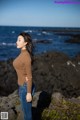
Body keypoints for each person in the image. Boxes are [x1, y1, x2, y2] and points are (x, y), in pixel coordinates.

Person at [13, 32, 35, 120]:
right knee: (25, 111)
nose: (16, 42)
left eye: (19, 40)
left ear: (25, 43)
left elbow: (29, 76)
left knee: (27, 115)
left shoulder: (26, 56)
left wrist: (29, 93)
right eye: (17, 40)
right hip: (22, 86)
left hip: (25, 88)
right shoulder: (23, 53)